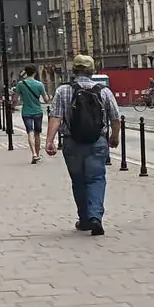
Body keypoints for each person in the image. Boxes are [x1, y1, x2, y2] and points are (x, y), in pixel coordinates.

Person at [47, 55, 122, 236]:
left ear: (74, 70)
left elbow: (56, 117)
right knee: (96, 179)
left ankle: (85, 219)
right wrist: (114, 137)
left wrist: (49, 140)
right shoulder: (104, 91)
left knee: (78, 181)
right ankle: (96, 217)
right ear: (92, 70)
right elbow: (115, 118)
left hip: (72, 142)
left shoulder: (63, 91)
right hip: (97, 142)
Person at [15, 65, 48, 164]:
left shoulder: (20, 84)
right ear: (35, 72)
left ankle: (33, 154)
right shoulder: (39, 84)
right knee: (37, 133)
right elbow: (46, 99)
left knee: (30, 132)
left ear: (26, 72)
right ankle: (37, 155)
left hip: (26, 112)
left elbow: (15, 98)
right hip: (37, 111)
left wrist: (12, 105)